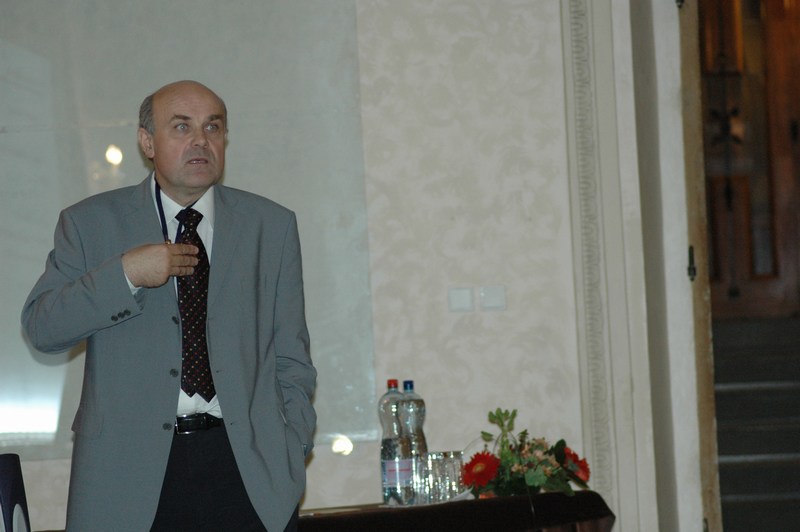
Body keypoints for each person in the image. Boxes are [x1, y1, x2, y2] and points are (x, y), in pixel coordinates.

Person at [21, 80, 317, 531]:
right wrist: (126, 274)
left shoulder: (270, 226)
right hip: (127, 476)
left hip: (248, 471)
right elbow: (43, 328)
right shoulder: (88, 223)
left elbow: (292, 358)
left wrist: (291, 447)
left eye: (212, 127)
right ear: (147, 142)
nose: (200, 140)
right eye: (181, 127)